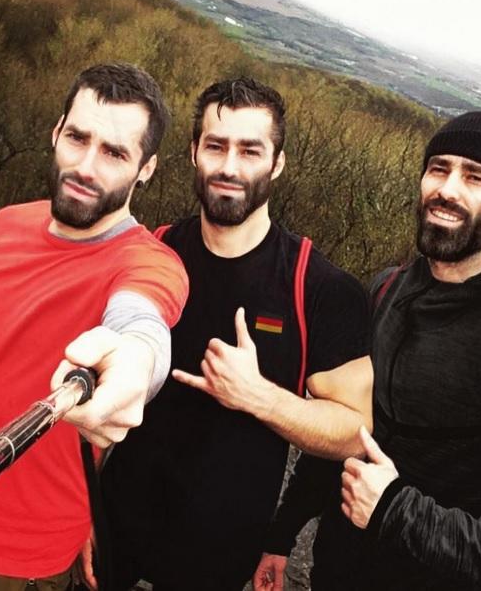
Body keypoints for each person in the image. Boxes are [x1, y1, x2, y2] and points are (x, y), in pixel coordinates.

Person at [256, 110, 481, 590]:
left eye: (476, 177)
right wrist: (282, 535)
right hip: (337, 573)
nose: (448, 189)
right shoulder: (385, 291)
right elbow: (348, 430)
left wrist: (394, 510)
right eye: (438, 168)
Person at [88, 78, 373, 591]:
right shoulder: (151, 255)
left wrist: (258, 396)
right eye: (216, 146)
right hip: (113, 532)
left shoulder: (319, 288)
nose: (229, 167)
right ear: (193, 152)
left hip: (216, 560)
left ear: (277, 163)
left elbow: (356, 431)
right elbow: (92, 386)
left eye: (250, 151)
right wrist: (77, 510)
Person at [0, 63, 189, 590]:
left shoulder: (147, 263)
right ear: (56, 131)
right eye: (78, 138)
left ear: (146, 168)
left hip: (13, 558)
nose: (86, 166)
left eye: (114, 153)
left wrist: (133, 368)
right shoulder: (7, 223)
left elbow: (142, 327)